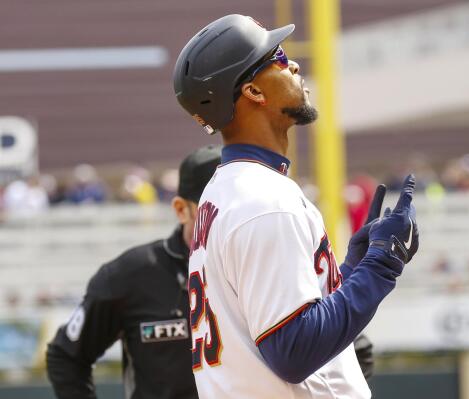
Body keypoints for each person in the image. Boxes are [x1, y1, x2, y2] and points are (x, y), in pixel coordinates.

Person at [173, 14, 419, 398]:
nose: (294, 65)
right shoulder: (264, 198)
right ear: (253, 91)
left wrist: (352, 268)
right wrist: (381, 266)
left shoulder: (225, 191)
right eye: (279, 57)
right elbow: (293, 352)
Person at [46, 145, 222, 399]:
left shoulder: (261, 268)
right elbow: (65, 356)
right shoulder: (132, 273)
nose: (227, 219)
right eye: (213, 209)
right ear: (182, 209)